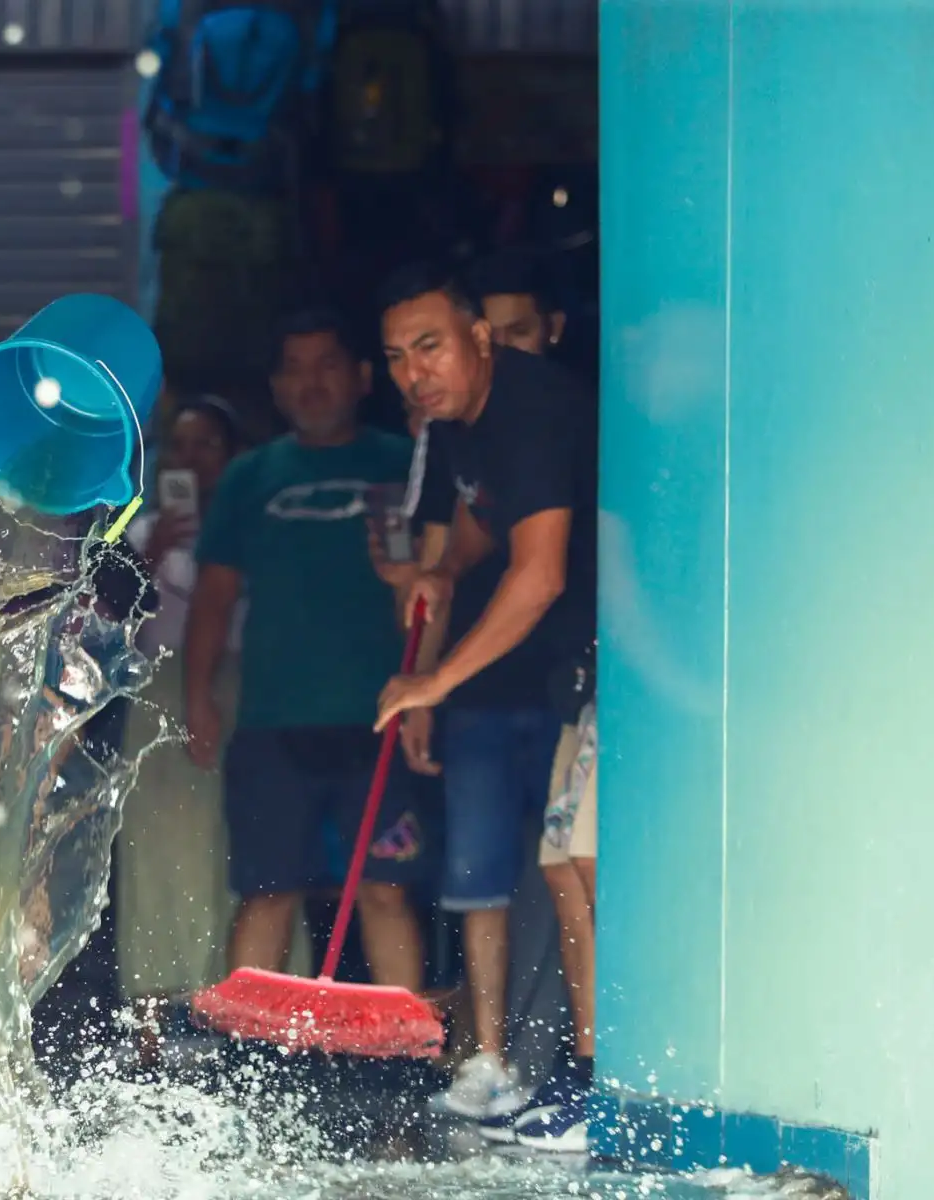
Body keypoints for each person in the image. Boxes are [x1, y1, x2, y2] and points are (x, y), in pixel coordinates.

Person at [372, 263, 597, 1135]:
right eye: (395, 356)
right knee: (556, 866)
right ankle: (569, 1077)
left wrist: (436, 678)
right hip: (571, 677)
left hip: (610, 663)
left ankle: (593, 1082)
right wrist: (449, 566)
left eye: (429, 346)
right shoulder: (464, 422)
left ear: (480, 338)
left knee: (572, 868)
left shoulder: (531, 407)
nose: (412, 371)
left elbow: (538, 576)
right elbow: (482, 519)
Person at [186, 309, 427, 993]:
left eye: (326, 365)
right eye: (293, 369)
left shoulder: (402, 463)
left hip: (381, 713)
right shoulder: (248, 476)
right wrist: (198, 694)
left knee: (385, 888)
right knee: (267, 890)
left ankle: (402, 1051)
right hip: (273, 720)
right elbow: (214, 594)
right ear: (276, 387)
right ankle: (246, 1056)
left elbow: (444, 579)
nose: (310, 383)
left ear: (360, 377)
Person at [114, 395, 245, 1070]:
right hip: (155, 691)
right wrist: (149, 555)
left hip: (232, 685)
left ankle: (224, 1009)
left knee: (225, 850)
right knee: (152, 851)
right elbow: (105, 618)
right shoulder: (140, 527)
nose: (190, 461)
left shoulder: (249, 518)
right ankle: (152, 1024)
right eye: (180, 446)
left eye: (207, 447)